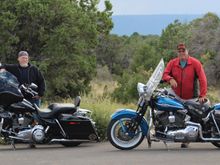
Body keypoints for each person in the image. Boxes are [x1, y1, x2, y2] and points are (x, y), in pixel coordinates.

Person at [162, 43, 207, 148]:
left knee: (193, 116)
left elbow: (202, 79)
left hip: (191, 96)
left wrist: (202, 95)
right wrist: (170, 79)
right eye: (179, 51)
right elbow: (165, 74)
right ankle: (170, 131)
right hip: (176, 95)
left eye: (183, 51)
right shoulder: (173, 63)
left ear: (188, 51)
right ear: (177, 52)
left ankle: (187, 139)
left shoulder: (195, 63)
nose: (181, 53)